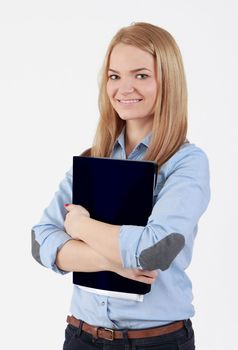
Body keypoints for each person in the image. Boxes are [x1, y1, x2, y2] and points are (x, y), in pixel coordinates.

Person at [31, 22, 210, 350]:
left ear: (167, 80)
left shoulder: (186, 162)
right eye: (115, 76)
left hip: (155, 342)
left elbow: (152, 251)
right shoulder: (93, 157)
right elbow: (40, 241)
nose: (124, 88)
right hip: (81, 337)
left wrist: (80, 226)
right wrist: (113, 262)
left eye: (140, 75)